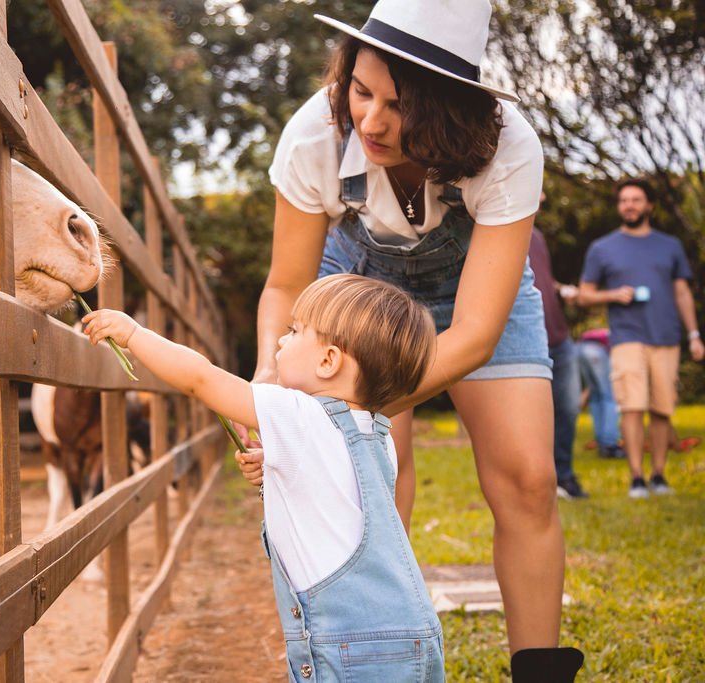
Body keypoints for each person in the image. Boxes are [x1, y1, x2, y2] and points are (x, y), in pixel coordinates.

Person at [245, 0, 583, 677]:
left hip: (476, 292)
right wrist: (271, 386)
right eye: (360, 91)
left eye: (396, 107)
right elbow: (285, 284)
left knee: (528, 478)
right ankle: (372, 657)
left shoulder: (510, 148)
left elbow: (479, 331)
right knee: (371, 476)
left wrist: (361, 402)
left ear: (447, 110)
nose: (369, 120)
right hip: (358, 287)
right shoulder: (314, 133)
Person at [82, 275, 447, 681]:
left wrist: (133, 334)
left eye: (294, 332)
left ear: (328, 361)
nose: (279, 342)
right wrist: (275, 465)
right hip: (413, 633)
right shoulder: (379, 436)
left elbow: (201, 379)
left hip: (349, 643)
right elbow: (334, 502)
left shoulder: (295, 411)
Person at [578, 178, 704, 498]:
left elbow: (681, 292)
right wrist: (614, 295)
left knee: (662, 408)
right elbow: (584, 295)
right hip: (626, 338)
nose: (629, 205)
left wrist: (694, 335)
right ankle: (637, 477)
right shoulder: (602, 248)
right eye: (623, 200)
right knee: (632, 406)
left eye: (636, 200)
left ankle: (659, 475)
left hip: (666, 336)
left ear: (649, 205)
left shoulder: (669, 246)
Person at [528, 227, 589, 499]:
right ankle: (539, 481)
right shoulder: (492, 226)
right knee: (533, 417)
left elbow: (540, 278)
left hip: (558, 337)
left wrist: (560, 289)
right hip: (526, 339)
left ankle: (563, 476)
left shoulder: (537, 236)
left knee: (568, 410)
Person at [575, 328, 626, 459]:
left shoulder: (607, 332)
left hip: (579, 349)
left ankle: (602, 440)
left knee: (596, 397)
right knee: (609, 397)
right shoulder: (622, 336)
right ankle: (609, 444)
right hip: (596, 350)